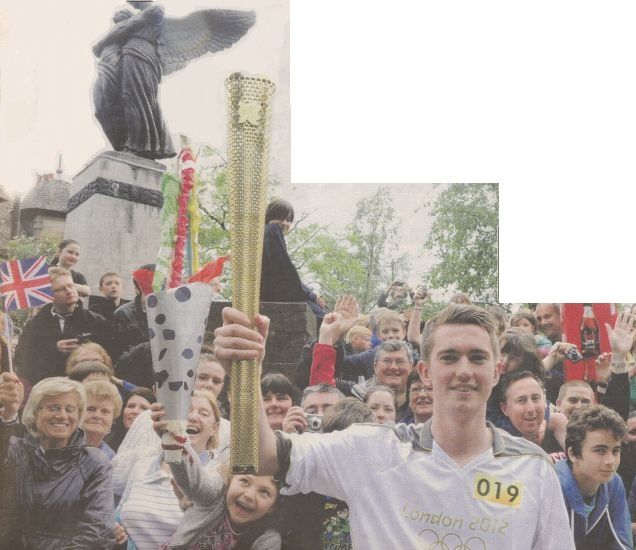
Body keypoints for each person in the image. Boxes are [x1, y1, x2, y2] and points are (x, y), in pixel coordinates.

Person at [213, 304, 574, 549]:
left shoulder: (533, 470)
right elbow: (261, 456)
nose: (464, 370)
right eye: (449, 357)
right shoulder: (372, 451)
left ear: (496, 371)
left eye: (477, 357)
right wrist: (244, 376)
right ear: (425, 372)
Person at [0, 375, 115, 549]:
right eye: (54, 407)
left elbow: (96, 534)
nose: (62, 416)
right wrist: (8, 414)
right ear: (35, 412)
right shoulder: (15, 451)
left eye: (70, 409)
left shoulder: (93, 462)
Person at [150, 400, 281, 549]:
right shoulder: (214, 496)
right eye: (244, 481)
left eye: (264, 492)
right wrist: (173, 433)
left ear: (274, 505)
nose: (249, 495)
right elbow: (194, 480)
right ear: (230, 480)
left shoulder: (267, 539)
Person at [117, 390, 227, 549]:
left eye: (203, 413)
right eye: (186, 411)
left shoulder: (218, 475)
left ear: (215, 429)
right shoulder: (142, 466)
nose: (193, 417)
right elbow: (119, 518)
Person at [14, 267, 111, 387]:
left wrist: (85, 349)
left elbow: (110, 357)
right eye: (60, 289)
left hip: (86, 388)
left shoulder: (96, 321)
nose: (69, 291)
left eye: (70, 286)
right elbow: (21, 361)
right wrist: (53, 349)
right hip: (49, 389)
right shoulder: (35, 325)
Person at [558, 405, 632, 549]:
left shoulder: (614, 482)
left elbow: (622, 544)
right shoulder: (553, 485)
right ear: (573, 454)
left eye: (615, 451)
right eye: (600, 450)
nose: (610, 461)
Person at [260, 198, 325, 318]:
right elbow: (286, 272)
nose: (284, 223)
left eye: (288, 220)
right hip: (277, 295)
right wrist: (312, 295)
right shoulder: (273, 230)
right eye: (280, 218)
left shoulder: (263, 233)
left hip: (268, 293)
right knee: (325, 318)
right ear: (269, 217)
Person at [499, 370, 568, 462]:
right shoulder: (498, 446)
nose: (531, 409)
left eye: (535, 398)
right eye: (521, 400)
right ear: (505, 409)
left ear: (544, 401)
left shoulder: (557, 426)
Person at [82, 379, 123, 459]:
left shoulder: (113, 460)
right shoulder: (60, 448)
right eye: (90, 409)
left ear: (113, 419)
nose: (97, 415)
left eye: (105, 411)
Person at [106, 386, 156, 452]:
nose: (135, 411)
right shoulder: (107, 441)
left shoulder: (157, 447)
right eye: (131, 406)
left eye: (143, 408)